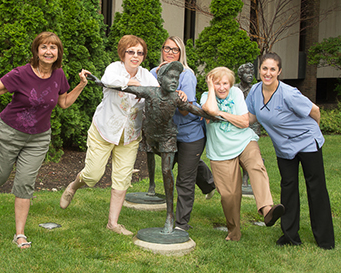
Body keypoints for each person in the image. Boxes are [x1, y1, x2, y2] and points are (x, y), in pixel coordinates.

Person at [0, 32, 90, 249]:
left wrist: (81, 84)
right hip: (9, 131)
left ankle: (19, 234)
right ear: (36, 51)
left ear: (58, 52)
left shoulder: (59, 75)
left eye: (53, 48)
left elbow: (64, 103)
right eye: (44, 47)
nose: (49, 52)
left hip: (38, 138)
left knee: (25, 182)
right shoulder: (21, 74)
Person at [90, 61, 217, 234]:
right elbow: (126, 88)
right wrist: (98, 81)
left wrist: (213, 115)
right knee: (153, 159)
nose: (174, 81)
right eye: (170, 77)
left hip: (167, 137)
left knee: (167, 172)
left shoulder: (175, 98)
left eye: (177, 78)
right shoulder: (150, 91)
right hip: (150, 135)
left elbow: (191, 108)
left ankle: (170, 217)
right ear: (161, 78)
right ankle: (153, 190)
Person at [59, 35, 159, 235]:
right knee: (93, 175)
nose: (135, 56)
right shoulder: (114, 68)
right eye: (131, 51)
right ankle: (73, 186)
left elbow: (157, 91)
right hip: (104, 131)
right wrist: (132, 83)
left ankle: (112, 223)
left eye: (140, 53)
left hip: (130, 135)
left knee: (122, 179)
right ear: (123, 53)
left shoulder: (147, 75)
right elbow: (108, 81)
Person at [246, 53, 335, 249]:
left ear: (279, 72)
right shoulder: (254, 91)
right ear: (259, 70)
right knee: (288, 188)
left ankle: (325, 239)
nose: (267, 73)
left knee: (316, 188)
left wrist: (315, 134)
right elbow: (251, 117)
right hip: (284, 148)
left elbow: (315, 110)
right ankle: (290, 236)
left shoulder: (288, 93)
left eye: (272, 69)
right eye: (264, 68)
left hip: (307, 143)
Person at [201, 66, 284, 241]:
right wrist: (210, 90)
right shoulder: (206, 96)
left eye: (225, 83)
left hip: (244, 141)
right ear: (211, 84)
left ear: (230, 84)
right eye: (217, 83)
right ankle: (234, 232)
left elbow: (244, 122)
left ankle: (267, 210)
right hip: (221, 150)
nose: (222, 87)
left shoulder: (236, 93)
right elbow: (210, 110)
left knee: (256, 166)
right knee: (229, 195)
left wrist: (221, 113)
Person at [148, 36, 216, 231]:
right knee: (185, 166)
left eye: (175, 50)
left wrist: (180, 97)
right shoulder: (154, 73)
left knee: (184, 179)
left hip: (189, 134)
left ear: (181, 54)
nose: (170, 52)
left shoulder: (187, 75)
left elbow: (185, 110)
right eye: (167, 48)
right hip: (166, 134)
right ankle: (209, 183)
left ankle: (181, 225)